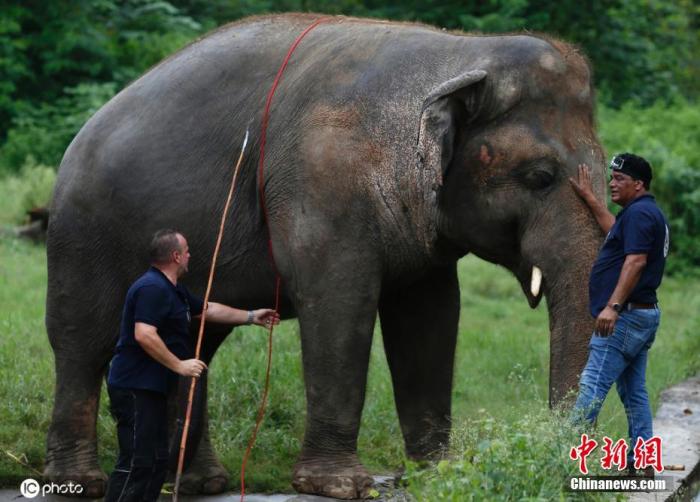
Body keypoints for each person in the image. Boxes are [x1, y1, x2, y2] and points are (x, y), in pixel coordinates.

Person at [105, 229, 280, 502]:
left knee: (157, 460)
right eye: (186, 251)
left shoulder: (174, 290)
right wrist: (180, 365)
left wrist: (250, 316)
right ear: (175, 256)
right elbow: (144, 334)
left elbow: (208, 310)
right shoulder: (151, 288)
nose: (189, 255)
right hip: (134, 388)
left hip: (151, 389)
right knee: (137, 461)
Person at [569, 153, 669, 474]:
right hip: (643, 315)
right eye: (611, 177)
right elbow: (614, 230)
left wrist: (612, 307)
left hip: (624, 318)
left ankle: (561, 468)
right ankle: (641, 466)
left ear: (638, 184)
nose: (612, 183)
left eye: (620, 179)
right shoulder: (642, 213)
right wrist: (590, 199)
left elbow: (636, 261)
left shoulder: (639, 215)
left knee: (591, 388)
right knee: (634, 394)